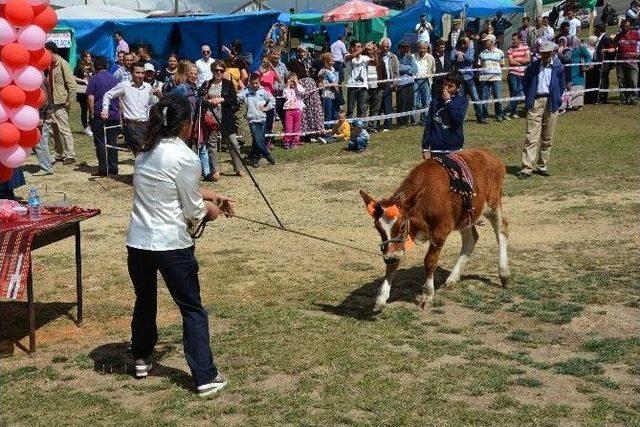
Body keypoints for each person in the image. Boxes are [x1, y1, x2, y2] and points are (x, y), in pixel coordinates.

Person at [126, 94, 233, 397]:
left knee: (145, 300)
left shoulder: (144, 152)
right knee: (192, 309)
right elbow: (193, 211)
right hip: (171, 244)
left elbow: (171, 186)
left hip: (138, 243)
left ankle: (142, 358)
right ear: (186, 124)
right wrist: (212, 210)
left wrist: (212, 195)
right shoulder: (185, 156)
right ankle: (205, 376)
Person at [518, 41, 565, 179]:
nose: (544, 56)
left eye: (546, 53)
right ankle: (527, 168)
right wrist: (530, 97)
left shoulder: (559, 67)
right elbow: (525, 83)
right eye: (542, 53)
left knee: (547, 137)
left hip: (551, 103)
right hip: (535, 102)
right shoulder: (533, 66)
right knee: (531, 136)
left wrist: (557, 98)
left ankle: (542, 165)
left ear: (552, 53)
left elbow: (561, 86)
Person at [202, 60, 244, 181]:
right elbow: (200, 97)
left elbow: (234, 100)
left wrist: (222, 99)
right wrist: (209, 101)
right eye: (216, 70)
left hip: (226, 118)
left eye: (221, 70)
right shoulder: (207, 84)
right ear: (212, 71)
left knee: (233, 143)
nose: (219, 72)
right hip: (211, 119)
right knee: (212, 144)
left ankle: (238, 168)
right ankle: (215, 170)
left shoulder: (228, 84)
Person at [102, 62, 154, 155]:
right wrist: (105, 109)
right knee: (141, 152)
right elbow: (108, 95)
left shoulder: (148, 87)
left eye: (142, 73)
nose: (140, 75)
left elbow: (150, 104)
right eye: (137, 73)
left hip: (146, 124)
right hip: (132, 124)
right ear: (131, 73)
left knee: (147, 152)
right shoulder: (125, 85)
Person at [421, 71, 468, 159]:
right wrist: (425, 147)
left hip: (454, 148)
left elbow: (457, 120)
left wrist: (448, 102)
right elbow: (429, 124)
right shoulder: (435, 101)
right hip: (436, 149)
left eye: (450, 86)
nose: (445, 88)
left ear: (458, 87)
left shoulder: (462, 101)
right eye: (445, 84)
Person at [45, 42, 77, 165]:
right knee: (53, 130)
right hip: (52, 102)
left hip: (61, 102)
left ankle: (70, 154)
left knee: (64, 129)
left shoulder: (63, 64)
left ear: (51, 51)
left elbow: (72, 84)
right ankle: (58, 152)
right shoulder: (49, 66)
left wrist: (69, 100)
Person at [87, 56, 120, 176]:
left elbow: (91, 98)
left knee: (100, 142)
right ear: (106, 66)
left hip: (99, 115)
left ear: (95, 67)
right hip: (114, 114)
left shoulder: (94, 79)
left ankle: (103, 169)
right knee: (113, 142)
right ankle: (113, 168)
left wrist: (91, 114)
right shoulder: (115, 79)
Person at [237, 73, 276, 166]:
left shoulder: (263, 92)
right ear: (250, 82)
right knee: (258, 140)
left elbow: (272, 100)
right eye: (253, 83)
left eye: (256, 83)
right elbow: (237, 98)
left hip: (262, 119)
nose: (254, 85)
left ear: (259, 82)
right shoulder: (246, 92)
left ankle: (254, 159)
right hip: (252, 120)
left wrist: (267, 108)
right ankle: (268, 155)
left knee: (258, 141)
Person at [477, 34, 507, 122]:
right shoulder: (482, 53)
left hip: (496, 78)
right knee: (484, 97)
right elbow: (479, 65)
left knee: (498, 96)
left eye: (486, 41)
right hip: (484, 78)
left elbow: (502, 64)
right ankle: (484, 115)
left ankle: (499, 115)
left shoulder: (500, 52)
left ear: (492, 42)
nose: (484, 42)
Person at [373, 38, 398, 131]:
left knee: (388, 105)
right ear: (380, 46)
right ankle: (377, 125)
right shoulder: (377, 56)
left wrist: (394, 82)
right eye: (383, 46)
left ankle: (388, 125)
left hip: (388, 83)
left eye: (387, 46)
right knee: (377, 106)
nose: (385, 48)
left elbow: (396, 72)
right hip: (378, 84)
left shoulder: (393, 57)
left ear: (389, 47)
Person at [613, 19, 639, 105]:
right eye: (623, 26)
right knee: (621, 81)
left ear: (630, 26)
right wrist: (608, 49)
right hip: (620, 62)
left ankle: (634, 99)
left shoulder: (635, 34)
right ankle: (624, 99)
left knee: (633, 80)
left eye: (627, 26)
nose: (625, 28)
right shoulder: (618, 36)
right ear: (621, 26)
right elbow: (613, 47)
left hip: (632, 61)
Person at [345, 40, 373, 119]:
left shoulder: (364, 57)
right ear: (353, 48)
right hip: (352, 86)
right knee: (350, 109)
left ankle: (360, 128)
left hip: (362, 86)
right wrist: (363, 49)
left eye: (360, 46)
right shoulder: (347, 56)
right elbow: (350, 57)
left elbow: (375, 63)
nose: (360, 48)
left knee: (361, 109)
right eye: (358, 47)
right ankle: (349, 128)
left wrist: (374, 52)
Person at [506, 34, 530, 118]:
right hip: (513, 73)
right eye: (512, 40)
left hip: (523, 74)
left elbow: (528, 59)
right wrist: (522, 62)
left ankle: (510, 110)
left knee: (519, 93)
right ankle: (513, 111)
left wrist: (517, 60)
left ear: (519, 40)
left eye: (514, 40)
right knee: (514, 91)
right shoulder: (510, 49)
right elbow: (511, 62)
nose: (513, 41)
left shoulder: (526, 48)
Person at [33, 79, 54, 176]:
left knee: (40, 143)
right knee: (43, 142)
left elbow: (43, 100)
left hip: (42, 115)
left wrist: (41, 117)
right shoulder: (41, 76)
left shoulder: (37, 80)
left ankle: (46, 167)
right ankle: (48, 162)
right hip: (45, 114)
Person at [396, 41, 418, 126]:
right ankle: (400, 122)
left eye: (407, 47)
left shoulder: (410, 58)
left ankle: (406, 121)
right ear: (400, 48)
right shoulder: (396, 57)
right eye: (404, 47)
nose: (405, 49)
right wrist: (409, 68)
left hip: (410, 83)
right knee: (401, 104)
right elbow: (399, 68)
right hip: (400, 83)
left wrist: (407, 69)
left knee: (409, 103)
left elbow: (415, 69)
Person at [413, 41, 435, 125]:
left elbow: (433, 70)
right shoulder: (413, 57)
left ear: (427, 49)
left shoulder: (430, 57)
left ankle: (425, 119)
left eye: (424, 48)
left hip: (426, 80)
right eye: (420, 48)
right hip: (415, 81)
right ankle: (413, 120)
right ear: (417, 48)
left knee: (426, 101)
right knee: (414, 102)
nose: (422, 50)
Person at [282, 73, 305, 149]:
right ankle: (287, 142)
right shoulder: (286, 89)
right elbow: (285, 96)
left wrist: (296, 83)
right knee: (288, 127)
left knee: (296, 126)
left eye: (294, 81)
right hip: (288, 110)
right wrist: (288, 86)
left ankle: (295, 142)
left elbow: (302, 92)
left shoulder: (299, 87)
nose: (293, 83)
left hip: (297, 109)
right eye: (291, 81)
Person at [74, 50, 94, 136]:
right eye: (87, 57)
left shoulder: (93, 66)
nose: (89, 58)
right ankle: (86, 127)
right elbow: (74, 77)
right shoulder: (79, 67)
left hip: (92, 90)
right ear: (84, 58)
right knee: (84, 109)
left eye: (90, 57)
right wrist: (83, 80)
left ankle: (91, 126)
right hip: (82, 92)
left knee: (92, 109)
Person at [594, 24, 616, 104]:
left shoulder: (606, 38)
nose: (594, 31)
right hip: (600, 62)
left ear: (599, 30)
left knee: (603, 80)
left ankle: (603, 98)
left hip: (605, 62)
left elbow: (612, 49)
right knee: (601, 79)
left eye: (595, 29)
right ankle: (600, 96)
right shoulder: (600, 38)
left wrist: (609, 62)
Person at [318, 52, 340, 124]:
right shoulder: (322, 72)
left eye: (333, 60)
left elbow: (337, 81)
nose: (333, 62)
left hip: (335, 94)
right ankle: (327, 128)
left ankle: (334, 128)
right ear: (326, 61)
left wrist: (335, 85)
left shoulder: (334, 70)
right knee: (328, 112)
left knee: (335, 112)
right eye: (331, 61)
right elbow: (320, 84)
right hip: (327, 94)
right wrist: (331, 84)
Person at [584, 36, 600, 105]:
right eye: (595, 42)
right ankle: (588, 99)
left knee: (596, 83)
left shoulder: (597, 49)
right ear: (591, 41)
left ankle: (595, 99)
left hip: (596, 68)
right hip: (589, 69)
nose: (596, 43)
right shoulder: (586, 49)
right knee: (589, 84)